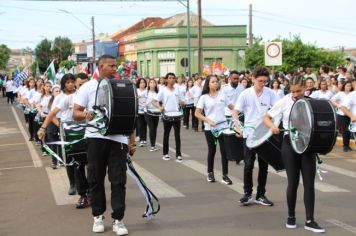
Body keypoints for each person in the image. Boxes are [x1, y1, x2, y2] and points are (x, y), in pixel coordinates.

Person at [73, 55, 135, 235]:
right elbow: (75, 113)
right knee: (95, 179)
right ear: (100, 66)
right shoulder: (88, 87)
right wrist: (87, 115)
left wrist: (132, 142)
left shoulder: (124, 85)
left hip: (118, 141)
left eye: (116, 65)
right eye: (111, 66)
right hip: (95, 138)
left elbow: (129, 115)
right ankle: (98, 216)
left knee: (118, 181)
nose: (115, 68)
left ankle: (118, 220)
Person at [263, 76, 326, 233]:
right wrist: (272, 127)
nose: (295, 94)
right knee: (293, 182)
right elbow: (266, 117)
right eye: (293, 91)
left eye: (299, 91)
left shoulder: (311, 102)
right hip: (289, 144)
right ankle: (291, 217)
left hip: (307, 146)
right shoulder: (284, 101)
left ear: (305, 88)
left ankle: (310, 220)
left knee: (309, 184)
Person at [233, 67, 277, 206]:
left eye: (265, 81)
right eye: (260, 81)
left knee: (264, 165)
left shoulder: (270, 93)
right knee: (248, 164)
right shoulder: (245, 94)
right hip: (249, 134)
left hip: (264, 134)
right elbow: (236, 112)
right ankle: (247, 194)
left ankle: (261, 194)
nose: (262, 84)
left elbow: (277, 109)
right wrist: (237, 126)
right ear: (253, 79)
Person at [195, 75, 234, 184]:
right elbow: (197, 113)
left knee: (224, 152)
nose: (216, 83)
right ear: (208, 84)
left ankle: (225, 175)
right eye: (213, 82)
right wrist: (208, 120)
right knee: (212, 150)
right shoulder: (204, 97)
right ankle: (210, 173)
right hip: (210, 128)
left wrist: (241, 109)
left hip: (223, 127)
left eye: (217, 81)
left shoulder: (223, 95)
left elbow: (232, 107)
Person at [152, 72, 183, 162]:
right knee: (166, 135)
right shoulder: (163, 90)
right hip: (167, 115)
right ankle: (165, 153)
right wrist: (160, 107)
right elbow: (154, 101)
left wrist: (182, 102)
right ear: (166, 79)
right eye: (170, 78)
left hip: (176, 115)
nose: (172, 79)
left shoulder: (177, 90)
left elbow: (181, 100)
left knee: (177, 135)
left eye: (173, 78)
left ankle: (178, 154)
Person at [330, 81, 354, 152]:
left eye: (350, 86)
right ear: (344, 86)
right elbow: (332, 100)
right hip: (342, 115)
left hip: (351, 114)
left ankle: (347, 145)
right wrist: (338, 105)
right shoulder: (340, 94)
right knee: (345, 130)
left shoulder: (352, 94)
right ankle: (345, 146)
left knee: (350, 130)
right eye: (347, 86)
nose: (349, 87)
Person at [144, 78, 159, 151]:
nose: (152, 84)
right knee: (152, 128)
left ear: (156, 84)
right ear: (149, 84)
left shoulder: (158, 93)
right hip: (148, 112)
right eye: (151, 82)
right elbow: (140, 99)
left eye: (154, 83)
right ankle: (152, 146)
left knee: (154, 129)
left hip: (156, 112)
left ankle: (153, 144)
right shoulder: (146, 92)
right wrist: (144, 104)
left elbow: (160, 102)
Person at [136, 78, 148, 146]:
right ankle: (141, 139)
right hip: (139, 109)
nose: (142, 84)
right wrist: (140, 101)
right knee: (140, 125)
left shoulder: (147, 91)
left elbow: (148, 99)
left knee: (145, 125)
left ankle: (144, 139)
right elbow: (136, 98)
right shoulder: (137, 90)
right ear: (138, 84)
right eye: (141, 82)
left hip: (145, 109)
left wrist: (145, 104)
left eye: (143, 82)